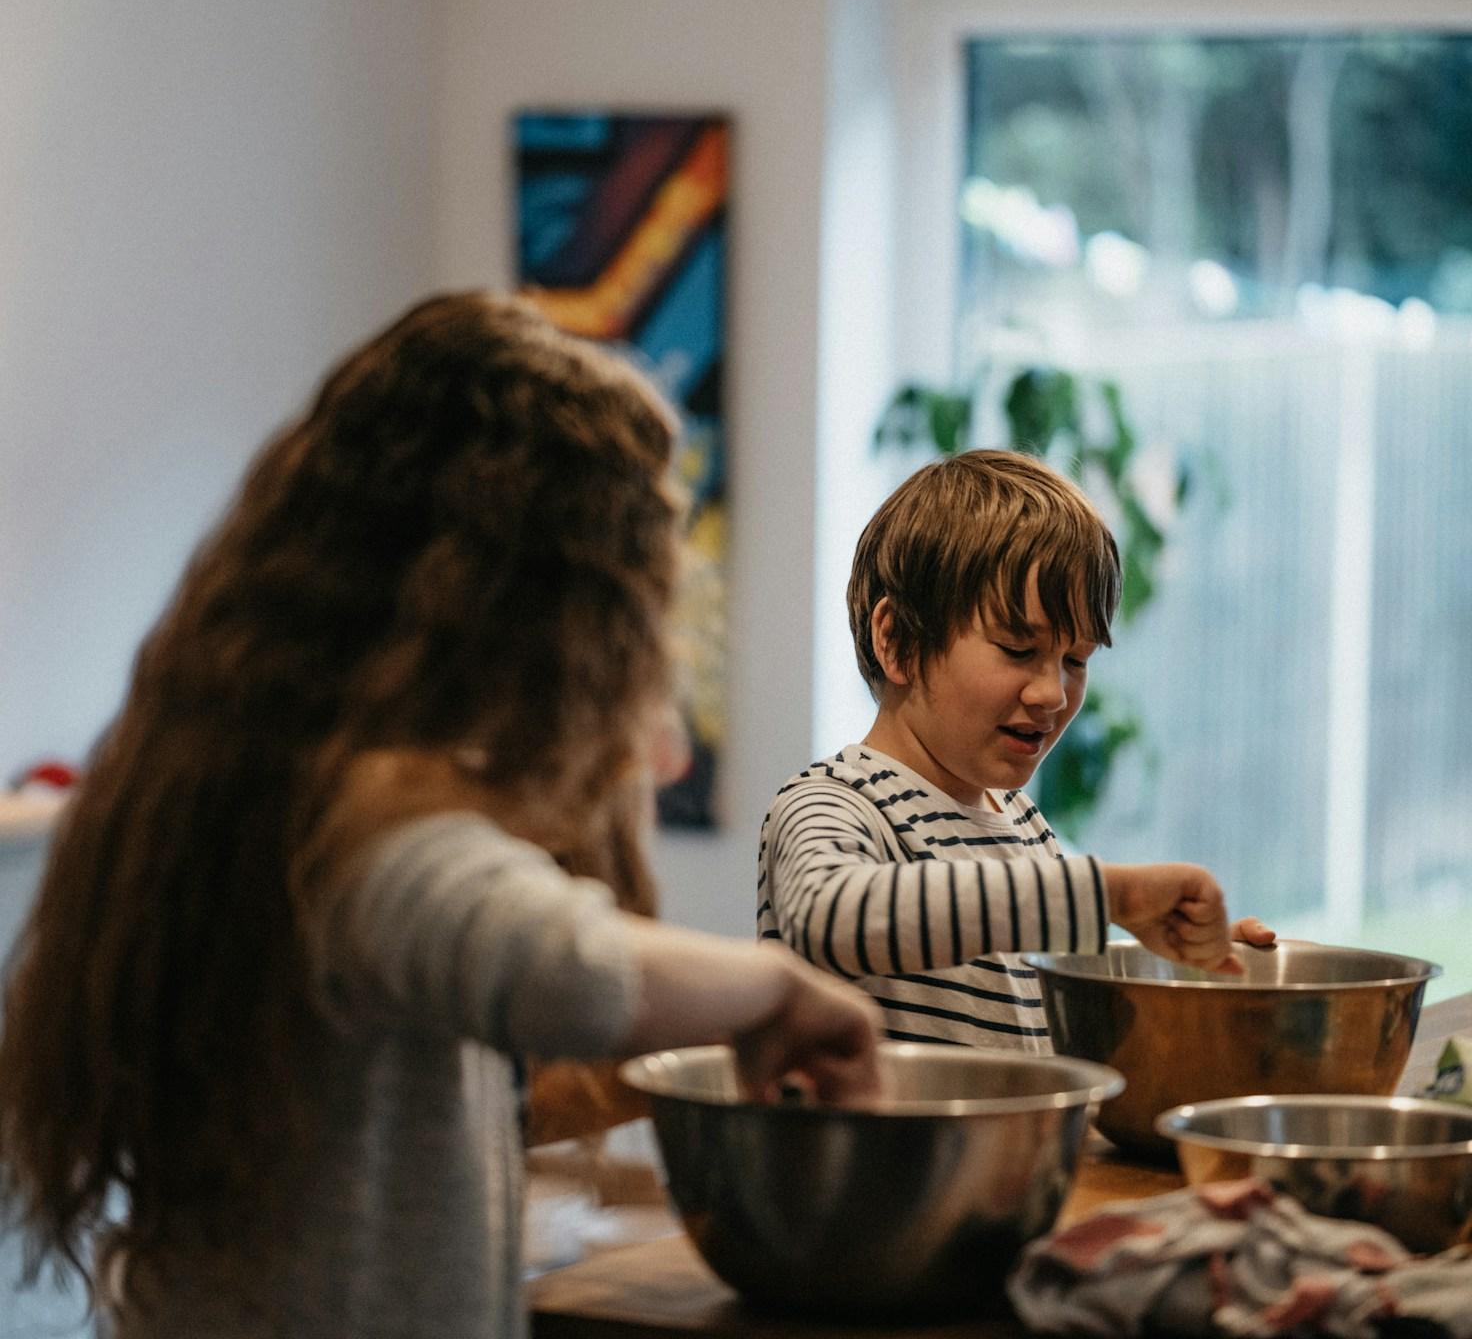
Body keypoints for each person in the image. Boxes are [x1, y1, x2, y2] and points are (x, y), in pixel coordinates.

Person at [0, 293, 882, 1339]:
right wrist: (778, 987)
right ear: (536, 610)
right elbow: (562, 963)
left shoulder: (248, 772)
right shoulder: (358, 828)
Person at [758, 448, 1272, 1052]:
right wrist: (1112, 894)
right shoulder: (834, 804)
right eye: (1017, 649)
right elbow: (829, 917)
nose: (1053, 692)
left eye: (1075, 660)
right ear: (896, 640)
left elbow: (1029, 972)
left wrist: (1179, 962)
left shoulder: (1023, 822)